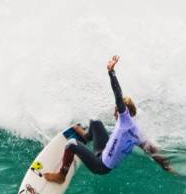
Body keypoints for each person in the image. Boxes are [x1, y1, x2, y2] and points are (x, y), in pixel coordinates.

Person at [44, 55, 175, 183]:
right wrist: (167, 167)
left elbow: (118, 95)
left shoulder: (125, 121)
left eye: (115, 111)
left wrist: (111, 72)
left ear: (121, 111)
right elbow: (153, 152)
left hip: (101, 166)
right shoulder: (136, 130)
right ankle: (86, 137)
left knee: (71, 143)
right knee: (95, 122)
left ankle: (61, 176)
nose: (114, 115)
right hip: (103, 151)